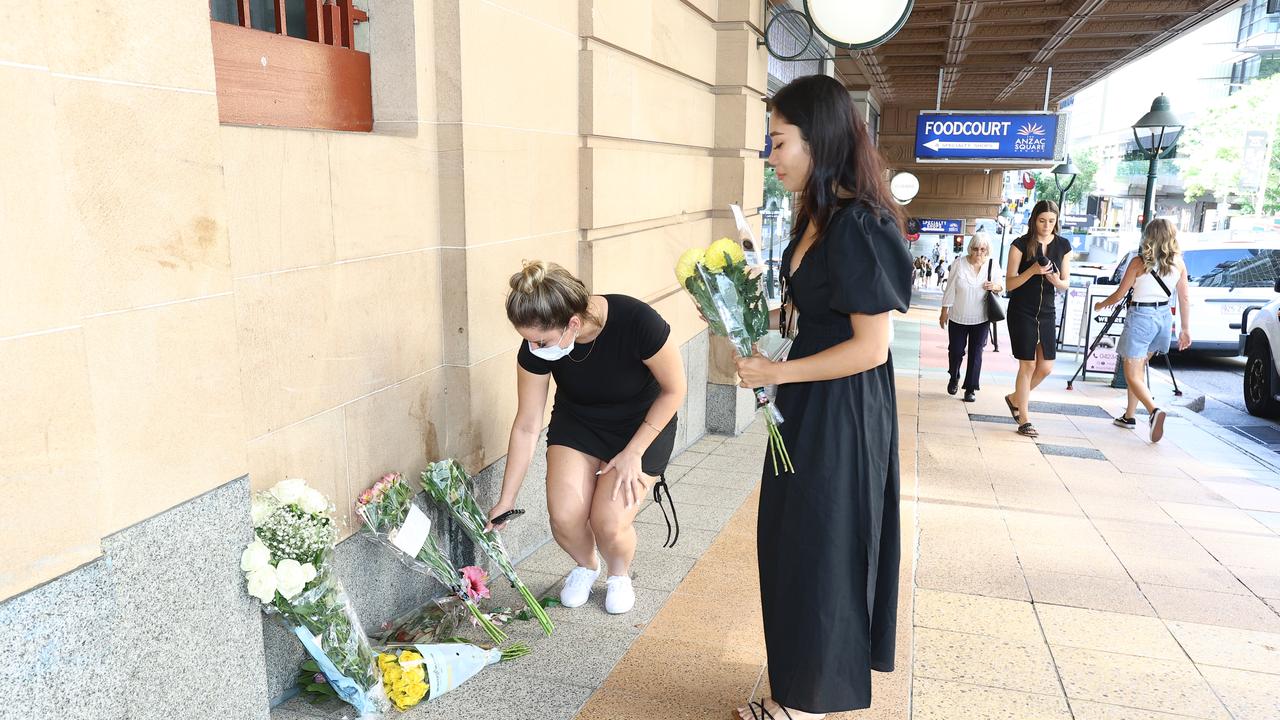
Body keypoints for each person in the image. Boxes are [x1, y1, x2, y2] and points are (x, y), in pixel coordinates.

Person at [730, 74, 912, 720]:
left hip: (842, 411)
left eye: (778, 143)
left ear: (819, 141)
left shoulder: (858, 225)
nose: (769, 158)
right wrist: (748, 310)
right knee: (791, 541)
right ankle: (795, 687)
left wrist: (777, 375)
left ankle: (807, 705)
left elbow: (872, 347)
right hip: (809, 401)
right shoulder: (817, 219)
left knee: (824, 546)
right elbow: (817, 318)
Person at [489, 261, 686, 615]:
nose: (533, 349)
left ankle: (619, 574)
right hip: (579, 422)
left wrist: (633, 452)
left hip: (642, 425)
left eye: (541, 341)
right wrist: (506, 499)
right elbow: (527, 424)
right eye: (527, 340)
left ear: (574, 324)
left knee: (608, 522)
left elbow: (675, 390)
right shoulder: (536, 346)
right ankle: (586, 565)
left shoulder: (638, 321)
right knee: (564, 516)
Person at [1092, 219, 1191, 442]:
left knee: (1131, 374)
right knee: (1139, 367)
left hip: (1141, 318)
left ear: (1149, 237)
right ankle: (1129, 416)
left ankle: (1154, 411)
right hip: (1163, 319)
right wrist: (1185, 328)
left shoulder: (1139, 263)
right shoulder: (1179, 264)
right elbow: (1184, 297)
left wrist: (1100, 305)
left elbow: (1119, 295)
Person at [1003, 200, 1071, 438]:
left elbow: (1065, 283)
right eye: (1042, 221)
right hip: (1022, 309)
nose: (1046, 226)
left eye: (1051, 221)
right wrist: (1031, 271)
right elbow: (1009, 283)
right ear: (1034, 220)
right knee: (1028, 364)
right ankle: (1024, 418)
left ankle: (1014, 399)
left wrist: (1055, 280)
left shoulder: (1063, 245)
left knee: (1046, 367)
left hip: (1047, 311)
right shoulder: (1020, 245)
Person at [939, 233, 1003, 402]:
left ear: (988, 250)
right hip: (958, 316)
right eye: (975, 249)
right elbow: (950, 288)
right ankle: (954, 376)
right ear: (970, 248)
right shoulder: (959, 264)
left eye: (983, 249)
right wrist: (944, 310)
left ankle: (970, 388)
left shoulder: (992, 264)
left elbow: (1001, 286)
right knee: (955, 350)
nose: (979, 253)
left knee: (976, 353)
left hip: (981, 318)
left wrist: (994, 286)